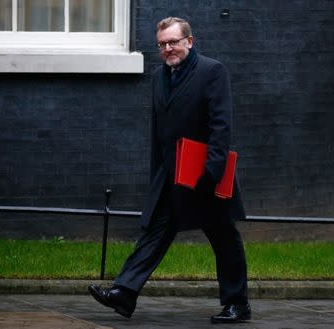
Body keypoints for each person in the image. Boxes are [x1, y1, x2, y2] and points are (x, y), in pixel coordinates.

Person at [88, 17, 250, 324]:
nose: (168, 49)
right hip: (169, 175)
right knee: (155, 231)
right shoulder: (158, 78)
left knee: (224, 237)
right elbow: (158, 132)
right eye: (162, 44)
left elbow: (221, 126)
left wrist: (211, 172)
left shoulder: (212, 72)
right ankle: (124, 291)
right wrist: (156, 177)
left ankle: (237, 305)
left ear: (189, 41)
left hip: (205, 175)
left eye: (173, 42)